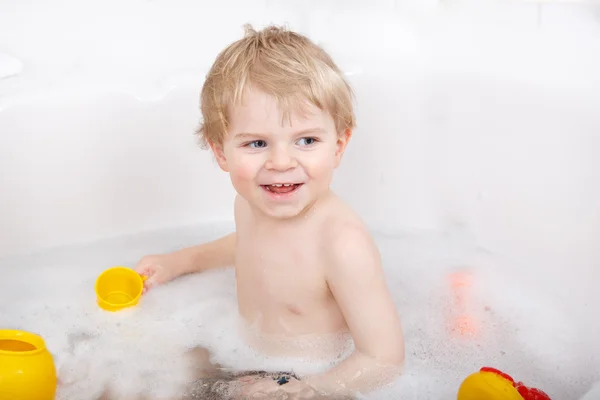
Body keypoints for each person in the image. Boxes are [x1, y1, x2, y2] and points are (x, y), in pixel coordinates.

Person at [134, 24, 405, 399]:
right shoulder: (248, 203)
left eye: (306, 140)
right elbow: (246, 244)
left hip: (316, 376)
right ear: (220, 152)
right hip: (237, 352)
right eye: (257, 143)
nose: (280, 162)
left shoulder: (341, 243)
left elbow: (384, 359)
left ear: (339, 145)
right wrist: (182, 261)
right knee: (131, 375)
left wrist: (305, 390)